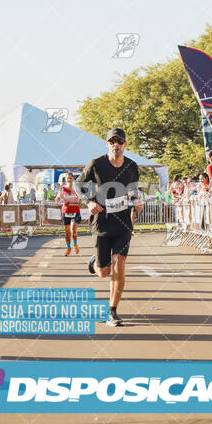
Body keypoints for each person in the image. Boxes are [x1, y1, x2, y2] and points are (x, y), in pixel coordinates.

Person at [76, 128, 143, 327]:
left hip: (123, 223)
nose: (116, 144)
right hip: (102, 223)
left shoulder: (132, 166)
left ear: (125, 144)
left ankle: (113, 311)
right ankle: (95, 262)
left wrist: (137, 201)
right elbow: (79, 184)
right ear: (107, 144)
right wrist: (88, 202)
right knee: (104, 272)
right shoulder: (96, 164)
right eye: (112, 141)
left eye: (120, 141)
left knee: (119, 263)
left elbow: (133, 190)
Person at [56, 172, 81, 256]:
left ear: (73, 179)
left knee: (73, 230)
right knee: (67, 232)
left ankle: (75, 244)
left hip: (75, 210)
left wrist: (81, 200)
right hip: (66, 211)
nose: (69, 179)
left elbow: (81, 197)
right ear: (65, 180)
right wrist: (58, 198)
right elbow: (58, 197)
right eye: (68, 178)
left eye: (70, 178)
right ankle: (69, 248)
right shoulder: (62, 189)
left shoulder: (77, 188)